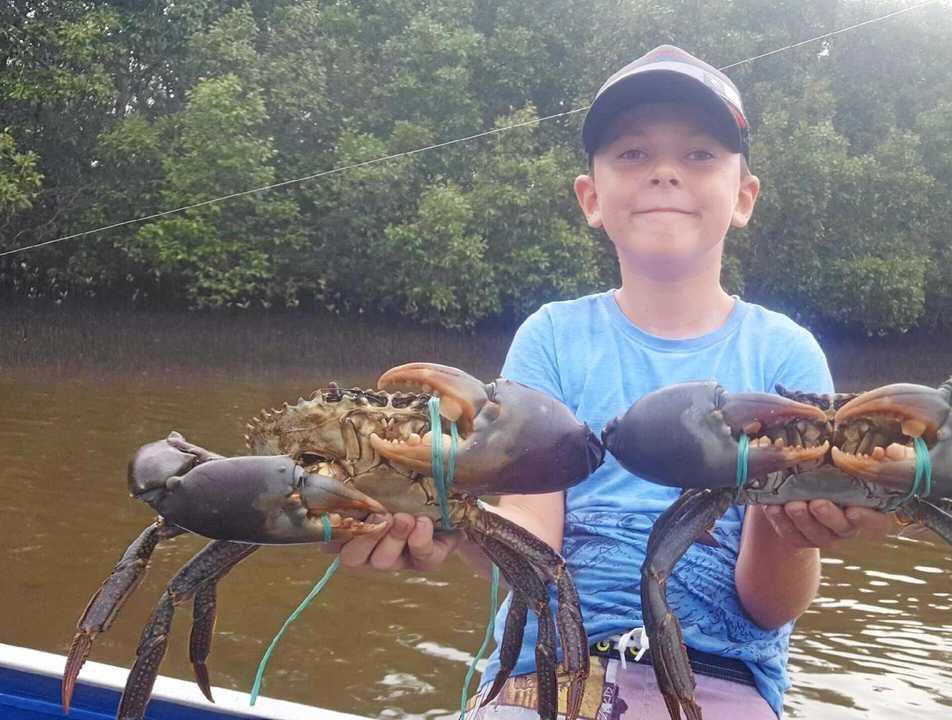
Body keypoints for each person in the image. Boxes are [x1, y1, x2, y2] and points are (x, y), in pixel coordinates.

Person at [332, 45, 898, 718]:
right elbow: (531, 544)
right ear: (591, 198)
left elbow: (769, 606)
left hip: (721, 678)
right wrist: (453, 525)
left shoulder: (785, 353)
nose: (664, 173)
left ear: (744, 196)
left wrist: (791, 526)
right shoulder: (551, 338)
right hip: (543, 671)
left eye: (699, 155)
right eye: (632, 153)